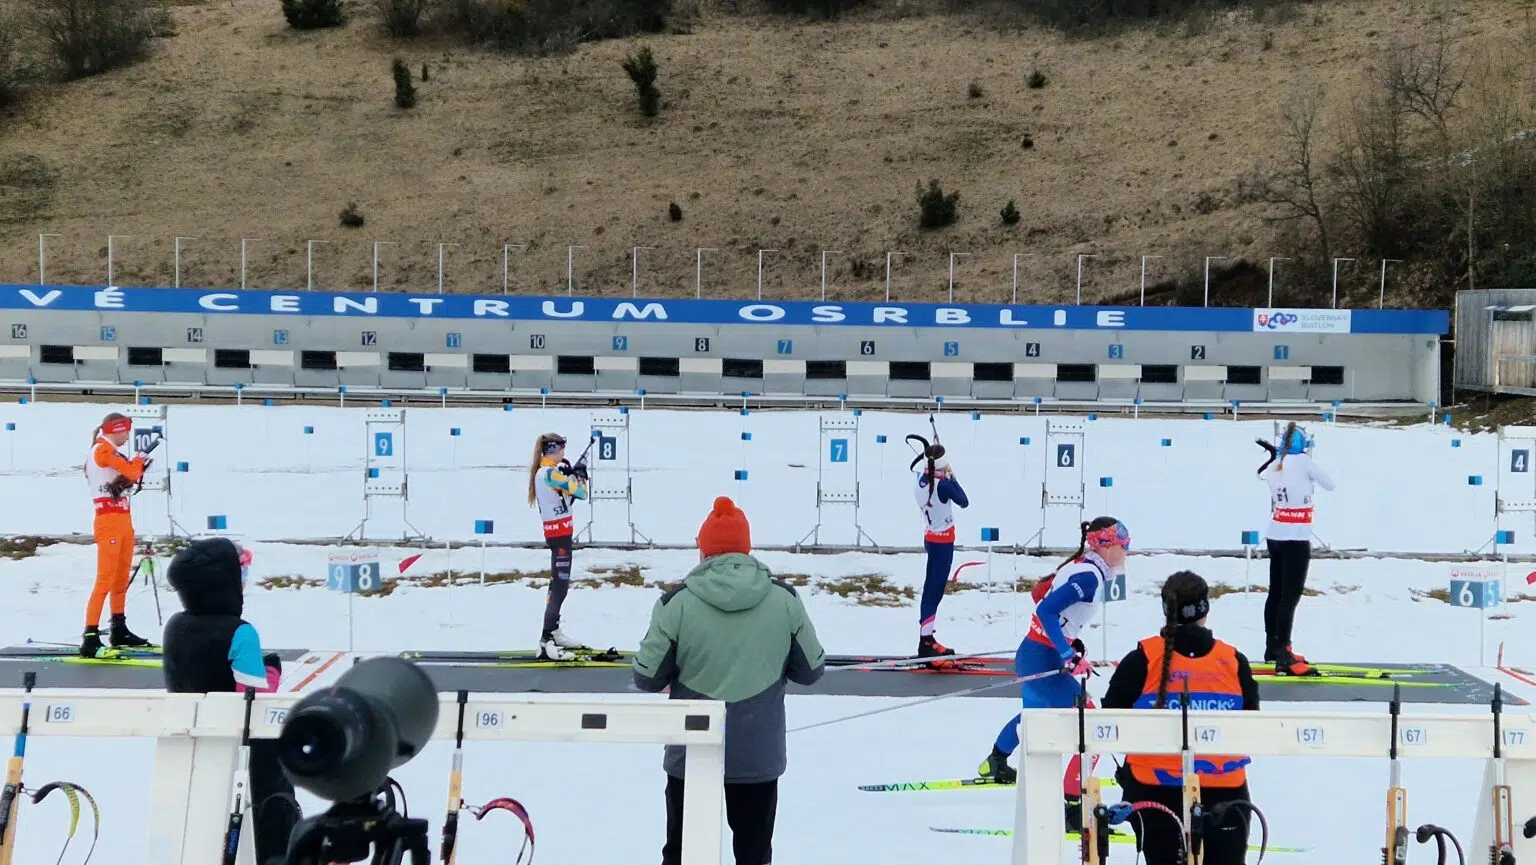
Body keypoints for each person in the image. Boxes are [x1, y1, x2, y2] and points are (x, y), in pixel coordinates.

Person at [633, 496, 826, 865]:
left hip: (691, 753)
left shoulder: (677, 604)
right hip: (758, 753)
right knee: (754, 856)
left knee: (681, 853)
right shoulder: (784, 600)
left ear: (703, 551)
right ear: (746, 549)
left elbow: (646, 676)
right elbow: (811, 670)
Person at [977, 516, 1130, 830]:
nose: (1127, 551)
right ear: (1105, 545)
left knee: (1036, 718)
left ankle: (995, 761)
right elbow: (1044, 609)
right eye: (1122, 545)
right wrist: (1064, 651)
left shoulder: (1082, 567)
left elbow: (1041, 596)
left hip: (1035, 655)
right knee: (1091, 723)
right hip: (1043, 659)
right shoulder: (1088, 576)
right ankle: (1072, 806)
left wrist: (1069, 641)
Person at [1104, 570, 1261, 865]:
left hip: (1153, 789)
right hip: (1225, 788)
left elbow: (1111, 721)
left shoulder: (1142, 659)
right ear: (1206, 610)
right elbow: (1252, 722)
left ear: (1166, 610)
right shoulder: (1232, 661)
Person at [162, 538, 301, 865]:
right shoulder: (240, 633)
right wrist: (271, 671)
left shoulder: (175, 627)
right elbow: (254, 703)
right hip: (240, 755)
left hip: (193, 746)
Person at [1255, 421, 1334, 676]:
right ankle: (1284, 652)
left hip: (1275, 534)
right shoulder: (1303, 462)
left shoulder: (1273, 467)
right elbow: (1330, 484)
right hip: (1296, 537)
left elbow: (1264, 474)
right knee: (1291, 596)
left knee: (1275, 593)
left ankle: (1272, 647)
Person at [81, 412, 153, 657]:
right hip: (109, 520)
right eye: (125, 431)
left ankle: (118, 628)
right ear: (116, 429)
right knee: (105, 579)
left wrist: (136, 467)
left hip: (122, 517)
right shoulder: (102, 450)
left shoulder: (111, 452)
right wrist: (137, 463)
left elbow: (126, 478)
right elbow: (131, 473)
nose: (127, 436)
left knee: (121, 578)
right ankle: (90, 635)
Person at [527, 431, 590, 660]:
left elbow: (565, 498)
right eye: (562, 448)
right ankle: (546, 637)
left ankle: (552, 630)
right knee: (560, 585)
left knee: (558, 583)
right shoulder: (549, 474)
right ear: (554, 450)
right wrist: (579, 476)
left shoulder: (547, 472)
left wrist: (570, 475)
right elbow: (581, 493)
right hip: (560, 536)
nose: (564, 452)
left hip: (559, 534)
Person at [911, 442, 969, 657]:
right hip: (943, 544)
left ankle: (926, 637)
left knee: (932, 589)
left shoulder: (922, 480)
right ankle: (925, 641)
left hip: (931, 539)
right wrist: (952, 476)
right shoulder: (943, 485)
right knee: (933, 591)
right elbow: (963, 500)